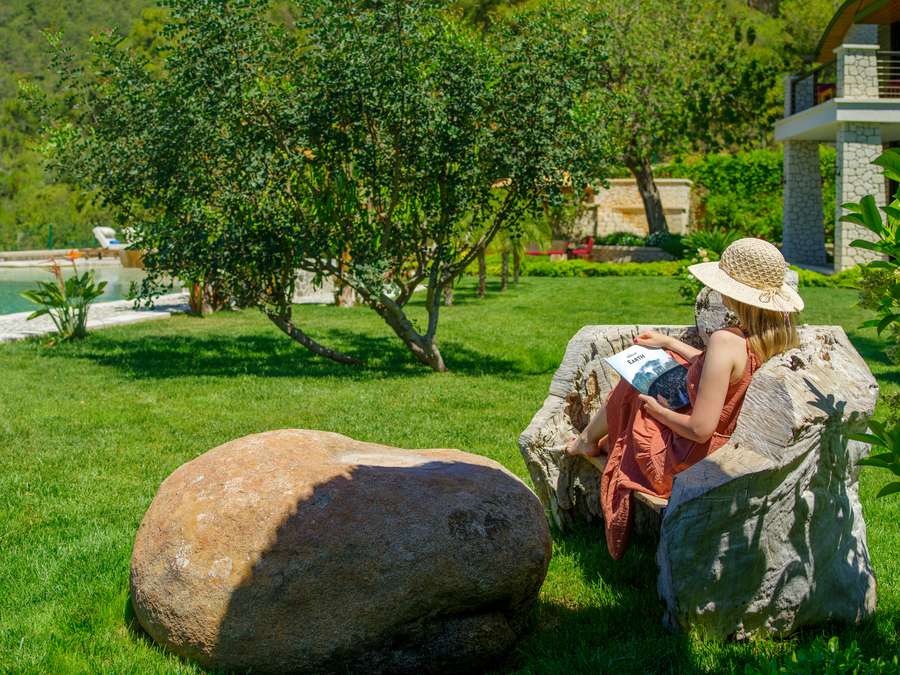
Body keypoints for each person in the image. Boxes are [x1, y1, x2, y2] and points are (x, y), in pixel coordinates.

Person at [566, 238, 804, 560]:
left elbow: (699, 428)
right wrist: (669, 343)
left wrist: (654, 409)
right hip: (722, 445)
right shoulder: (776, 334)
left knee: (637, 386)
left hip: (688, 461)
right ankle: (605, 440)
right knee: (660, 366)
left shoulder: (725, 340)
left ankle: (586, 440)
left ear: (732, 291)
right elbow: (722, 373)